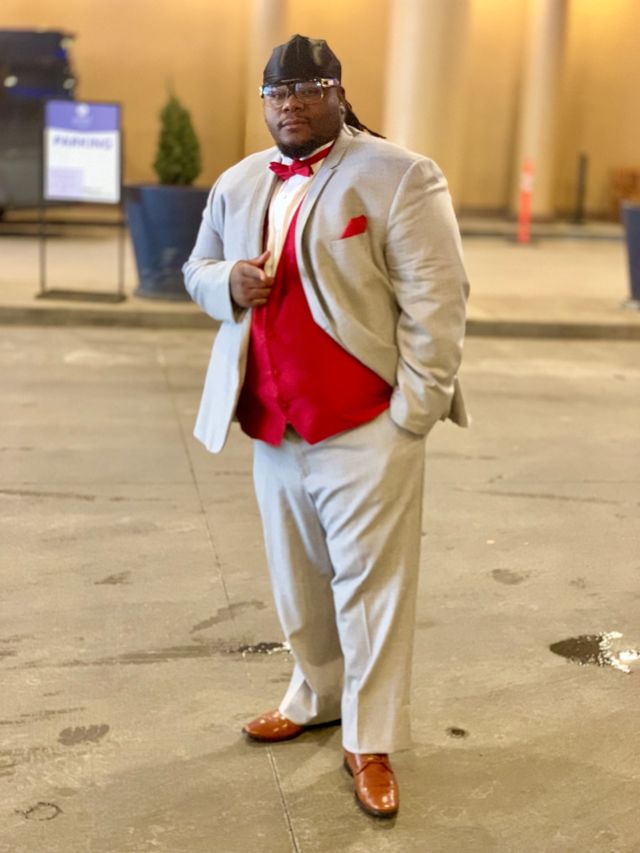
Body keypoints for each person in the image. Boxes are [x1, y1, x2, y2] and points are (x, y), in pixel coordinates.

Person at [183, 34, 469, 819]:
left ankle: (369, 740)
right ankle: (315, 695)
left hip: (366, 422)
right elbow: (195, 267)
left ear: (339, 94)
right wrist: (227, 282)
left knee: (371, 587)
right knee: (297, 578)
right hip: (273, 423)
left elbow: (438, 298)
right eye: (278, 93)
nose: (292, 105)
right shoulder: (240, 181)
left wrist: (414, 409)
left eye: (309, 90)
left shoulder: (400, 174)